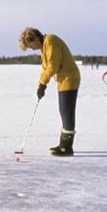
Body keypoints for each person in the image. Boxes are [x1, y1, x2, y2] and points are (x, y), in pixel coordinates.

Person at [19, 28, 81, 156]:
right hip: (63, 79)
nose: (31, 49)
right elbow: (46, 68)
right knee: (63, 110)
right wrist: (40, 85)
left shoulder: (50, 40)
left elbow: (53, 66)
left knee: (67, 110)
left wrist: (44, 83)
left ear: (35, 38)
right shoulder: (44, 46)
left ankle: (67, 147)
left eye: (30, 46)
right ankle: (63, 144)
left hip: (69, 77)